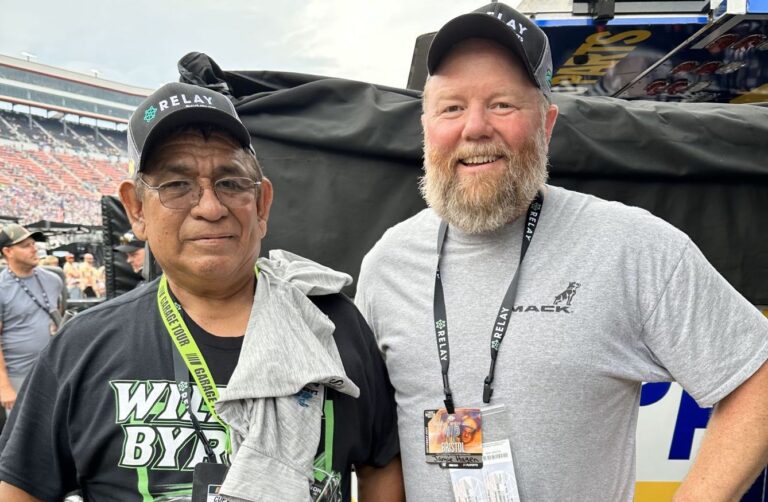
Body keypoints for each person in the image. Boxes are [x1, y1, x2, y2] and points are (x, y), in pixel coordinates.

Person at [355, 3, 768, 502]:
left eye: (502, 104)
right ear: (426, 126)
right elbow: (380, 448)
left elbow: (758, 377)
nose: (475, 127)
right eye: (452, 108)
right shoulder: (387, 265)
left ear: (546, 124)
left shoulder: (629, 246)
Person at [0, 82, 403, 501]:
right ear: (136, 209)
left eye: (231, 183)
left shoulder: (332, 324)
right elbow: (19, 489)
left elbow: (381, 465)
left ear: (261, 205)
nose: (210, 207)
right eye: (176, 185)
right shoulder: (82, 347)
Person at [0, 224, 63, 412]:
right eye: (25, 245)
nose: (34, 248)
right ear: (8, 251)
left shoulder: (54, 280)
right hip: (18, 375)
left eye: (33, 243)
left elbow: (57, 316)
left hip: (54, 368)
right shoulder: (2, 286)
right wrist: (4, 386)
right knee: (23, 428)